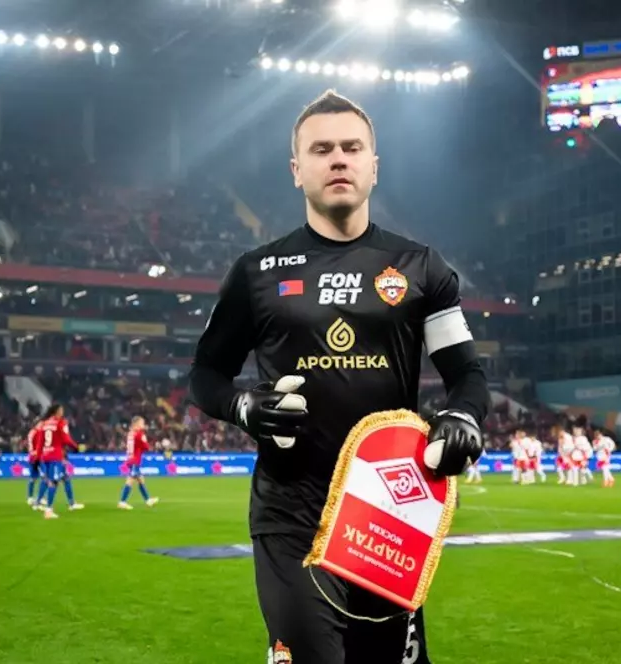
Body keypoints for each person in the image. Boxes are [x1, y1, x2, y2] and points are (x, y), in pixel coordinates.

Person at [189, 90, 488, 664]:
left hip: (388, 517)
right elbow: (205, 374)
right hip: (291, 515)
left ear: (374, 165)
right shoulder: (256, 273)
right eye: (321, 149)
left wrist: (462, 417)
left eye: (352, 148)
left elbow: (467, 374)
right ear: (296, 170)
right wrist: (243, 407)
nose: (338, 159)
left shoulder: (421, 267)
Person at [35, 404, 84, 520]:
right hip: (55, 456)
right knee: (53, 482)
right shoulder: (61, 422)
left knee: (65, 478)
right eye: (61, 410)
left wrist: (38, 457)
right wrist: (76, 447)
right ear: (57, 411)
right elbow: (66, 439)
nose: (62, 412)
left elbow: (40, 442)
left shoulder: (45, 423)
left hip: (45, 456)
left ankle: (71, 503)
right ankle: (48, 510)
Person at [118, 416, 160, 509]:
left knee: (141, 479)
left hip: (130, 458)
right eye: (142, 423)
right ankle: (122, 502)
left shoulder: (130, 433)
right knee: (130, 480)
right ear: (136, 424)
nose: (143, 425)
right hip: (134, 460)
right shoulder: (139, 434)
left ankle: (148, 500)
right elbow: (146, 447)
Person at [25, 419, 47, 509]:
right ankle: (30, 497)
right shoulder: (32, 432)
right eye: (41, 423)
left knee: (44, 477)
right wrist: (32, 452)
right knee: (33, 478)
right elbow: (30, 444)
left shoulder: (43, 433)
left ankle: (41, 497)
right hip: (34, 457)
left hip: (41, 457)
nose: (42, 425)